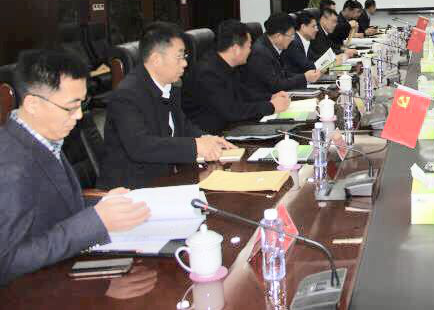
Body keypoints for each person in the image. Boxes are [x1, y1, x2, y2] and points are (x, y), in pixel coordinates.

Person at [0, 50, 150, 284]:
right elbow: (7, 262)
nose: (79, 115)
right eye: (70, 107)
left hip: (60, 269)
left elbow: (58, 206)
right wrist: (96, 221)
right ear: (33, 104)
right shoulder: (9, 165)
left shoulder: (42, 136)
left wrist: (104, 204)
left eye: (82, 103)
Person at [99, 22, 235, 189]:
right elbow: (140, 146)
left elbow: (183, 126)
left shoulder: (169, 85)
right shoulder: (126, 95)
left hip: (165, 178)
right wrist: (196, 146)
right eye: (179, 57)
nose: (185, 63)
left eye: (184, 56)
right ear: (156, 59)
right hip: (130, 189)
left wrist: (207, 138)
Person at [182, 20, 290, 134]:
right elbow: (231, 111)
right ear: (236, 49)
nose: (250, 51)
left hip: (229, 126)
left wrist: (270, 97)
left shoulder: (226, 64)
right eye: (249, 46)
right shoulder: (207, 73)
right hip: (212, 134)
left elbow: (243, 93)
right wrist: (271, 107)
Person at [242, 13, 322, 97]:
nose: (293, 39)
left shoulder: (273, 45)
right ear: (278, 36)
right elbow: (275, 85)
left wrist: (306, 77)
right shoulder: (260, 53)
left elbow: (283, 74)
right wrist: (304, 78)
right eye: (291, 35)